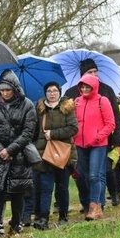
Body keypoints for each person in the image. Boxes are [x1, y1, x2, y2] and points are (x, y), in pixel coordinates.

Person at [0, 71, 37, 235]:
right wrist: (0, 150)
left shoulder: (27, 105)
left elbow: (28, 132)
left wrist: (11, 149)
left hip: (19, 154)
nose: (5, 93)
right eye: (2, 90)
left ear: (14, 89)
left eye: (8, 90)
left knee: (17, 191)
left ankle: (16, 222)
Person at [33, 81, 78, 229]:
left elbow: (73, 128)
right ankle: (43, 218)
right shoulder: (40, 109)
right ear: (45, 93)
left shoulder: (67, 108)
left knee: (62, 187)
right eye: (49, 91)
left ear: (59, 92)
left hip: (63, 153)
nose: (52, 93)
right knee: (45, 187)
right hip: (44, 154)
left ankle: (63, 216)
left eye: (55, 91)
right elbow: (34, 130)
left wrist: (53, 134)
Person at [73, 74, 116, 220]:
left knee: (94, 176)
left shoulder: (102, 101)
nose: (84, 89)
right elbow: (73, 122)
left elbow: (111, 123)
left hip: (97, 145)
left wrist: (98, 136)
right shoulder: (77, 102)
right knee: (81, 176)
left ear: (94, 87)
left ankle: (95, 206)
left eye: (87, 87)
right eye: (82, 87)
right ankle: (86, 204)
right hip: (80, 144)